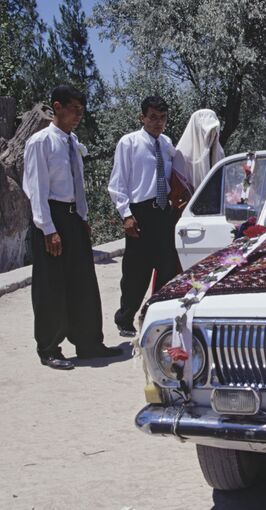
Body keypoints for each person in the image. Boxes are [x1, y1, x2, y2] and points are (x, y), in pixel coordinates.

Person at [22, 85, 122, 369]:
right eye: (74, 109)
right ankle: (50, 348)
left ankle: (89, 342)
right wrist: (48, 229)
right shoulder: (40, 142)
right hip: (50, 216)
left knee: (83, 282)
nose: (79, 115)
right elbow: (37, 189)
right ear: (57, 106)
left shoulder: (72, 141)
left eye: (81, 110)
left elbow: (77, 183)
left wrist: (83, 217)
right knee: (51, 285)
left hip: (73, 217)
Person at [108, 96, 179, 337]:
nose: (158, 123)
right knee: (136, 271)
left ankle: (152, 313)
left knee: (167, 266)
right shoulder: (128, 143)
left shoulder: (168, 144)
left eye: (162, 118)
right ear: (142, 118)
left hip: (163, 213)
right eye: (152, 118)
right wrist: (126, 215)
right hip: (140, 212)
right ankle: (125, 318)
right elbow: (117, 183)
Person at [173, 109, 225, 191]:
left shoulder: (220, 153)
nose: (213, 135)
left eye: (215, 130)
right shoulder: (182, 155)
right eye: (208, 132)